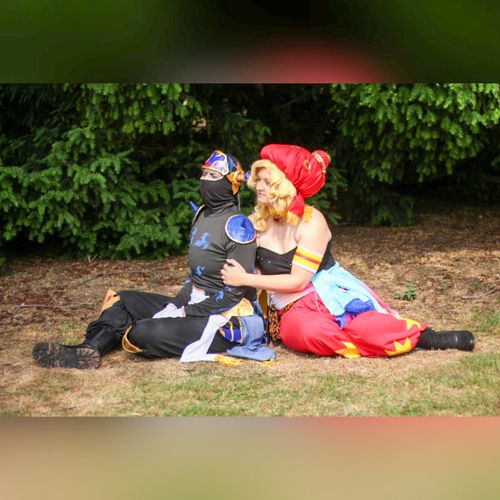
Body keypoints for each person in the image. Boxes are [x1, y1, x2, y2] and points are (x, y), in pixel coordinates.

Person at [221, 144, 475, 358]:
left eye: (267, 181)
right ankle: (359, 343)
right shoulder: (255, 223)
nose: (259, 187)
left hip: (332, 295)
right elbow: (250, 266)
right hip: (291, 308)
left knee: (368, 327)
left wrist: (245, 278)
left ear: (284, 186)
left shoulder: (311, 221)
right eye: (258, 180)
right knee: (308, 332)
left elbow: (298, 281)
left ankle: (424, 336)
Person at [33, 150, 271, 369]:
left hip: (224, 317)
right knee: (122, 301)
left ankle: (132, 332)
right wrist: (175, 304)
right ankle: (90, 349)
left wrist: (185, 312)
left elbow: (234, 293)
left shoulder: (239, 227)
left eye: (213, 175)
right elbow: (196, 276)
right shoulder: (201, 214)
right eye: (203, 174)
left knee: (141, 332)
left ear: (231, 184)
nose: (204, 180)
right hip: (195, 302)